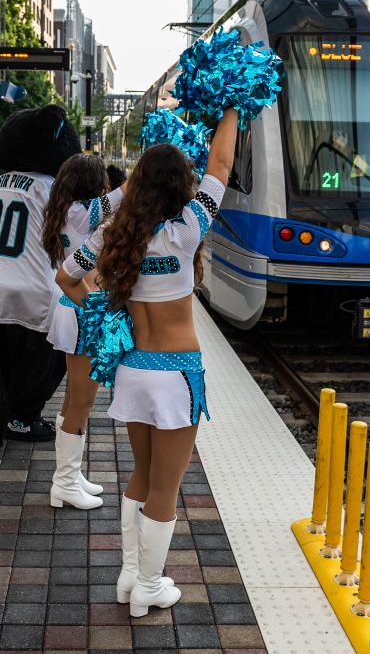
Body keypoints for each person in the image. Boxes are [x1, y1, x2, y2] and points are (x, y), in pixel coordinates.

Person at [57, 109, 238, 618]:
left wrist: (100, 302)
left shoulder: (114, 233)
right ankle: (150, 586)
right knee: (167, 486)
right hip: (177, 374)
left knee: (140, 475)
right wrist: (233, 107)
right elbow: (220, 165)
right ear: (181, 185)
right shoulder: (186, 228)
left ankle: (130, 576)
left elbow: (65, 279)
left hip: (133, 370)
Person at [0, 105, 81, 447]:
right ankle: (22, 417)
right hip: (34, 290)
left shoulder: (0, 183)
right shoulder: (50, 186)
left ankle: (0, 403)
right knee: (53, 354)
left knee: (0, 358)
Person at [43, 154, 126, 510]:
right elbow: (126, 192)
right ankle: (64, 483)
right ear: (94, 184)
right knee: (82, 400)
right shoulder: (84, 213)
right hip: (82, 308)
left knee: (73, 397)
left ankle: (70, 476)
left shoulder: (64, 211)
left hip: (72, 307)